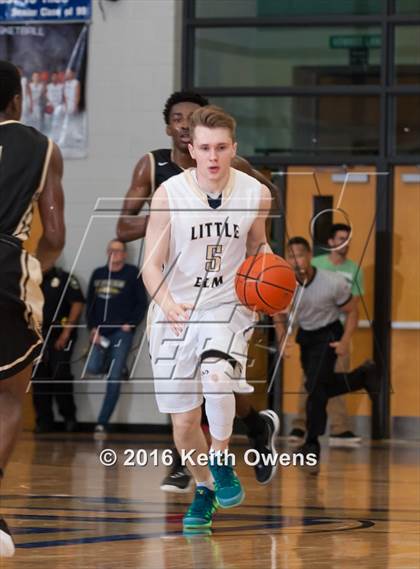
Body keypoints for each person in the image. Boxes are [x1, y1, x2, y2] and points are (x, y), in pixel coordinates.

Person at [117, 91, 280, 492]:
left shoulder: (255, 194)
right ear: (190, 148)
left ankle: (222, 457)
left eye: (221, 147)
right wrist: (168, 304)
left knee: (216, 374)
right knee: (185, 423)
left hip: (227, 304)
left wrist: (267, 271)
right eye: (205, 147)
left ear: (234, 148)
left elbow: (258, 243)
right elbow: (150, 266)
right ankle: (205, 488)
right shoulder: (168, 194)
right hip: (176, 308)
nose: (213, 156)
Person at [0, 60, 65, 557]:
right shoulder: (42, 148)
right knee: (8, 396)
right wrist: (33, 270)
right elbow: (56, 236)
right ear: (18, 99)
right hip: (6, 267)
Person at [274, 237, 379, 471]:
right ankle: (363, 376)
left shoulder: (333, 282)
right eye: (291, 256)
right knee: (318, 387)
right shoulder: (284, 285)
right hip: (308, 337)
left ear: (310, 255)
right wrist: (283, 339)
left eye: (300, 255)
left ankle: (311, 444)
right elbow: (277, 314)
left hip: (329, 335)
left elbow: (352, 311)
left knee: (315, 390)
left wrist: (344, 341)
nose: (296, 260)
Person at [289, 223, 365, 446]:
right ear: (330, 241)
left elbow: (353, 308)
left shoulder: (354, 271)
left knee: (321, 383)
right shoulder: (314, 265)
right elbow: (290, 307)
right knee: (312, 384)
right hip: (308, 332)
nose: (345, 243)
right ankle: (300, 427)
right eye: (341, 238)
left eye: (348, 239)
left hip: (333, 331)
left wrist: (344, 340)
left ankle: (336, 430)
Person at [85, 239, 148, 435]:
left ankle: (102, 423)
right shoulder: (98, 274)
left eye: (118, 251)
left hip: (122, 333)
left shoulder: (132, 274)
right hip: (100, 333)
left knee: (113, 379)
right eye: (111, 249)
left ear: (125, 254)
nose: (114, 253)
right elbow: (90, 304)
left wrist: (131, 324)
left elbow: (141, 303)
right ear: (107, 252)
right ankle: (119, 366)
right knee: (93, 367)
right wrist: (92, 329)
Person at [32, 266, 84, 433]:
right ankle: (44, 421)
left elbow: (77, 304)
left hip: (59, 335)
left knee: (60, 375)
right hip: (37, 336)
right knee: (39, 379)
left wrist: (65, 333)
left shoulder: (65, 278)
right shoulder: (30, 278)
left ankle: (69, 418)